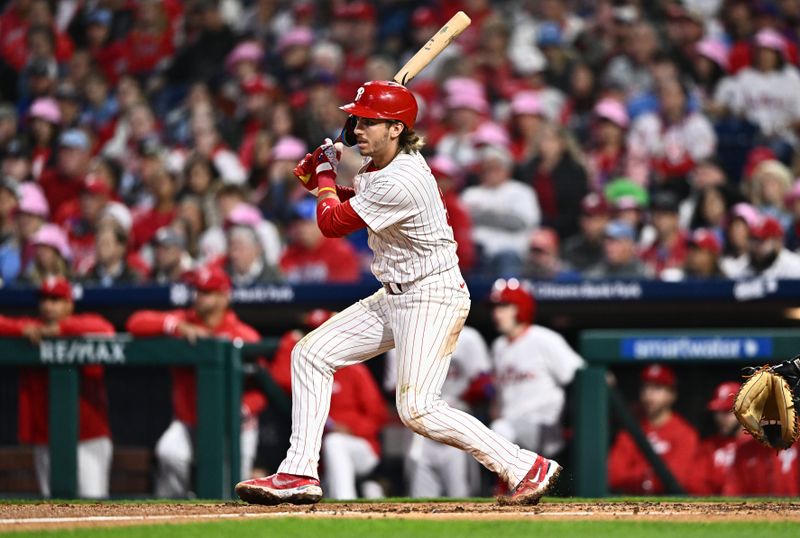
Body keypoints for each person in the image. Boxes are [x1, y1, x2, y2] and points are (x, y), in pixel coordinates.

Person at [236, 80, 562, 506]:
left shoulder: (403, 177)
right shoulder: (381, 165)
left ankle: (523, 466)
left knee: (418, 410)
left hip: (431, 295)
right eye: (358, 121)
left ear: (395, 129)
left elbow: (332, 224)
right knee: (310, 354)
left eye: (369, 122)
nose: (357, 131)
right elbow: (353, 204)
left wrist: (323, 178)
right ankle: (298, 472)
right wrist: (326, 183)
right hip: (394, 294)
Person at [126, 267, 265, 497]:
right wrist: (176, 327)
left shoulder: (244, 334)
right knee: (169, 453)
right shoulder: (183, 320)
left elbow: (262, 388)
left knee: (237, 486)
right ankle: (182, 507)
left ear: (224, 297)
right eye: (198, 292)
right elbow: (135, 323)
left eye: (207, 293)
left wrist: (244, 408)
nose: (199, 298)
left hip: (234, 426)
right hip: (190, 421)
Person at [0, 277, 114, 498]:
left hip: (88, 437)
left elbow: (106, 329)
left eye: (55, 299)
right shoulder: (31, 330)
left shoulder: (82, 324)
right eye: (44, 299)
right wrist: (21, 328)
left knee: (94, 507)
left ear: (69, 304)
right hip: (46, 438)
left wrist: (61, 328)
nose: (48, 305)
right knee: (54, 510)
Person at [271, 309, 388, 500]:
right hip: (323, 459)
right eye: (311, 333)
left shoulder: (354, 369)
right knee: (331, 446)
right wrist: (290, 343)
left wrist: (352, 429)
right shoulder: (306, 373)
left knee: (335, 442)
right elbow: (280, 377)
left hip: (361, 446)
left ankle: (345, 501)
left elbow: (378, 414)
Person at [385, 324, 492, 498]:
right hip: (419, 431)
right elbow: (392, 388)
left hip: (457, 424)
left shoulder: (468, 337)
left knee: (462, 494)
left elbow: (485, 385)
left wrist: (457, 399)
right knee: (420, 496)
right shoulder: (399, 341)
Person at [489, 279, 584, 458]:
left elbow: (582, 374)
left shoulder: (544, 339)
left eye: (504, 307)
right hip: (511, 431)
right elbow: (498, 400)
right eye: (494, 308)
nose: (496, 314)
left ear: (520, 307)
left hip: (544, 428)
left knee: (499, 431)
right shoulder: (498, 346)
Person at [608, 364, 701, 495]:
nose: (648, 394)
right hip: (633, 503)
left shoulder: (685, 433)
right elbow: (613, 476)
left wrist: (636, 475)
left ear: (672, 395)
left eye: (657, 388)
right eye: (645, 387)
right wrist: (648, 476)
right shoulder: (631, 430)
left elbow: (677, 479)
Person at [696, 382, 744, 495]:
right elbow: (696, 484)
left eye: (726, 411)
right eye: (717, 412)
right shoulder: (709, 446)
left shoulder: (757, 445)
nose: (720, 418)